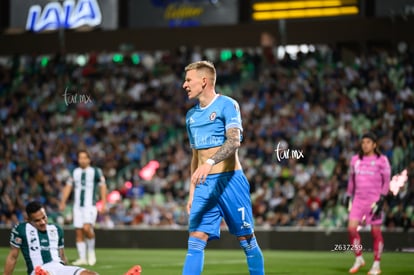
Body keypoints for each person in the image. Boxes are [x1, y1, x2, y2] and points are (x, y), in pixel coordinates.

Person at [181, 60, 265, 275]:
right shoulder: (191, 116)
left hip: (230, 182)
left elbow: (234, 141)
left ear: (204, 80)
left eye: (189, 80)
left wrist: (210, 163)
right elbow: (195, 157)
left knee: (247, 240)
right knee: (195, 240)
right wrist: (192, 192)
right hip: (204, 186)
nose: (184, 85)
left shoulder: (228, 104)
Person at [3, 201, 98, 275]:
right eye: (37, 220)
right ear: (28, 220)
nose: (43, 222)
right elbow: (12, 257)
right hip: (39, 271)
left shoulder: (56, 229)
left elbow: (62, 256)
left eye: (44, 217)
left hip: (59, 268)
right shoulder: (21, 229)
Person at [344, 132, 391, 275]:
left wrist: (382, 198)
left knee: (375, 232)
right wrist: (348, 195)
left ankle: (376, 264)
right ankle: (359, 258)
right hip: (358, 199)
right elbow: (351, 180)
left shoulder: (382, 160)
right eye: (363, 142)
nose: (365, 145)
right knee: (351, 229)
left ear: (374, 144)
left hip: (374, 201)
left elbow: (386, 181)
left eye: (368, 142)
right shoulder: (355, 160)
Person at [59, 149, 107, 266]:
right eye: (80, 158)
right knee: (79, 232)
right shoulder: (75, 172)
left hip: (89, 205)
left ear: (89, 159)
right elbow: (68, 186)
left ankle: (91, 253)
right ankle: (82, 258)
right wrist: (63, 202)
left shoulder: (96, 171)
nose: (82, 160)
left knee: (87, 228)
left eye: (85, 157)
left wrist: (104, 203)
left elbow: (102, 186)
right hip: (77, 206)